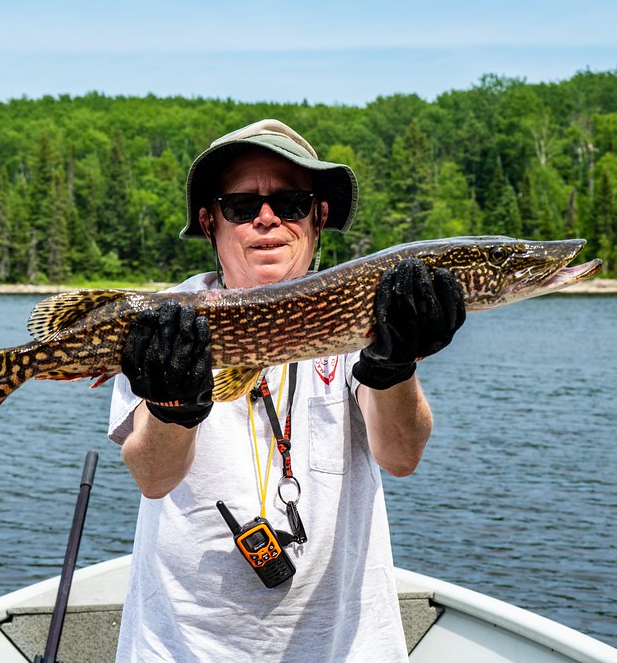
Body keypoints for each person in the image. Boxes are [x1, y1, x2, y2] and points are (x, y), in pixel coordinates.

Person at [107, 119, 465, 661]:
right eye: (241, 206)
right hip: (185, 646)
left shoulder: (359, 311)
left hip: (345, 645)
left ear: (319, 218)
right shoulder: (167, 322)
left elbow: (400, 456)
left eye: (292, 203)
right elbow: (154, 477)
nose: (267, 219)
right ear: (210, 222)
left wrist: (395, 367)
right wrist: (170, 409)